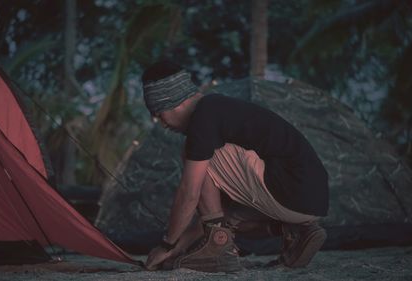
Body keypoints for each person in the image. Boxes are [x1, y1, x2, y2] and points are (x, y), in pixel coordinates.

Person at [141, 60, 329, 272]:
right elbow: (210, 217)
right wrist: (176, 249)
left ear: (173, 102)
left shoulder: (205, 116)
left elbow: (190, 193)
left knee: (195, 156)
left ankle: (218, 249)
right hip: (308, 200)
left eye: (158, 113)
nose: (161, 123)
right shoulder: (218, 111)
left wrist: (167, 243)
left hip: (292, 188)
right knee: (224, 219)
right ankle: (296, 233)